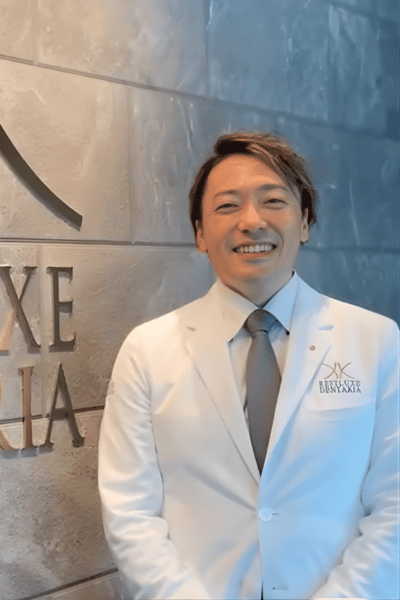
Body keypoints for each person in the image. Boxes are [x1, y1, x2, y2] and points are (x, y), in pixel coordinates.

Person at [98, 132, 399, 600]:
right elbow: (129, 512)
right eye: (227, 206)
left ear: (305, 221)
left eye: (273, 201)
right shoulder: (148, 350)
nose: (252, 221)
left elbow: (394, 504)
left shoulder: (375, 340)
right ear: (200, 233)